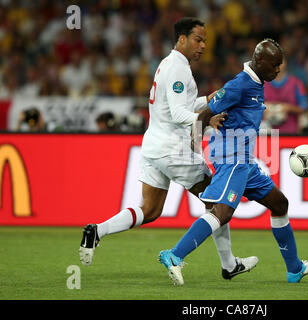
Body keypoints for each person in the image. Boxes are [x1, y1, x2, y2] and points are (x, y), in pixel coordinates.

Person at [79, 18, 258, 280]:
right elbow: (177, 113)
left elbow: (178, 104)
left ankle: (97, 231)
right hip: (172, 149)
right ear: (182, 39)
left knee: (150, 210)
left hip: (153, 146)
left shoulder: (169, 64)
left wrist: (206, 101)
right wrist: (207, 118)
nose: (203, 46)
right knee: (218, 203)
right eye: (198, 39)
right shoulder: (178, 69)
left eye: (205, 41)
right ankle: (228, 264)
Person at [158, 39, 308, 286]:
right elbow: (204, 114)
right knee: (221, 213)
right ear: (259, 61)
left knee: (279, 203)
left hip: (245, 160)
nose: (278, 70)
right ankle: (174, 255)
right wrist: (194, 144)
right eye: (274, 65)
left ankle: (294, 269)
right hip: (231, 158)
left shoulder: (258, 82)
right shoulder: (239, 85)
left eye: (280, 65)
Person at [263, 59, 308, 134]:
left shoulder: (296, 83)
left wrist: (289, 108)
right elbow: (251, 106)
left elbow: (304, 107)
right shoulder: (261, 83)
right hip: (266, 131)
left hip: (290, 131)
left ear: (285, 63)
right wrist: (263, 107)